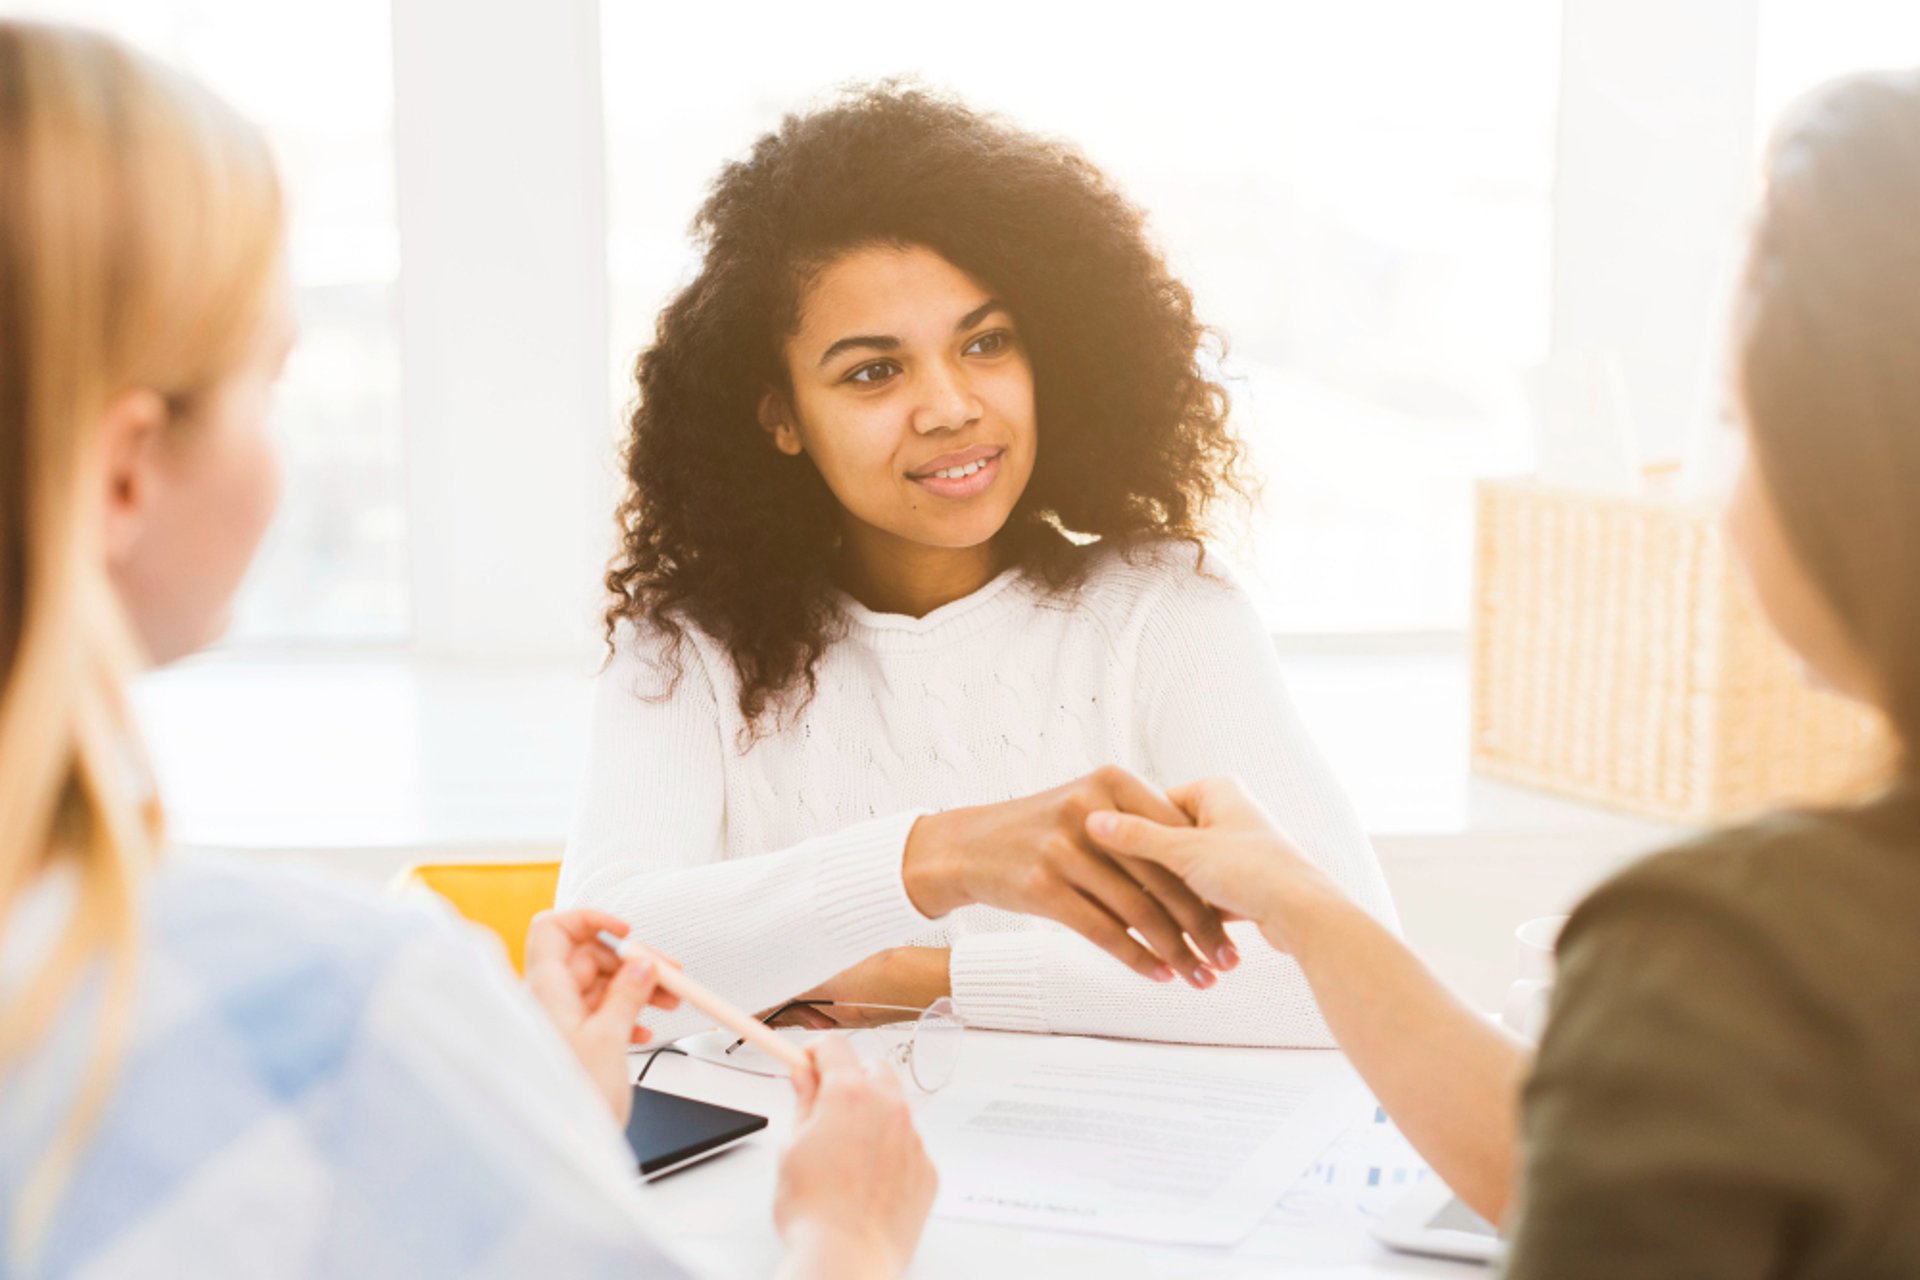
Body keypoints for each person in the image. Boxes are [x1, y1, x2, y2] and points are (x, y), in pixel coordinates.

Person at [0, 22, 934, 1278]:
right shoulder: (335, 1010)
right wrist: (849, 1232)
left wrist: (513, 1125)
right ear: (123, 475)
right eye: (266, 382)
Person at [1083, 70, 1920, 1279]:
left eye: (1737, 424)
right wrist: (1301, 904)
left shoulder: (1727, 951)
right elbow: (1603, 1166)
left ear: (1854, 463)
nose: (1712, 494)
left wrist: (852, 1246)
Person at [563, 86, 1396, 1047]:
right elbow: (600, 961)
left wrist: (928, 979)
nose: (952, 407)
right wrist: (938, 859)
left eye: (986, 343)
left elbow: (1349, 973)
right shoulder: (686, 648)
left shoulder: (1164, 615)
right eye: (874, 371)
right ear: (781, 417)